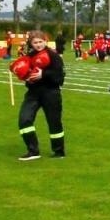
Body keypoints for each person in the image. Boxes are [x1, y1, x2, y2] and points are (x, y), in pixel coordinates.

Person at [13, 31, 66, 160]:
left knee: (54, 122)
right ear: (31, 43)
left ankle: (59, 152)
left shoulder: (54, 56)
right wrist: (24, 75)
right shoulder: (29, 56)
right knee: (24, 119)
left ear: (45, 41)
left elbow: (60, 78)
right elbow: (27, 73)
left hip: (51, 92)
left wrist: (44, 74)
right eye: (35, 42)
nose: (38, 45)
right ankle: (33, 151)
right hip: (33, 93)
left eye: (40, 42)